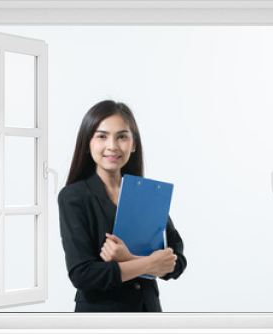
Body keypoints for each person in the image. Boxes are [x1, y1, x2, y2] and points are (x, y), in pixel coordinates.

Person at [58, 100, 187, 312]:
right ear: (87, 144)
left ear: (133, 144)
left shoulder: (148, 193)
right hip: (100, 318)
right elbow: (83, 274)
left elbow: (177, 262)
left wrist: (128, 259)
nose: (113, 146)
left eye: (122, 136)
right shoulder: (74, 197)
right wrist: (149, 264)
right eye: (102, 136)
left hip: (148, 313)